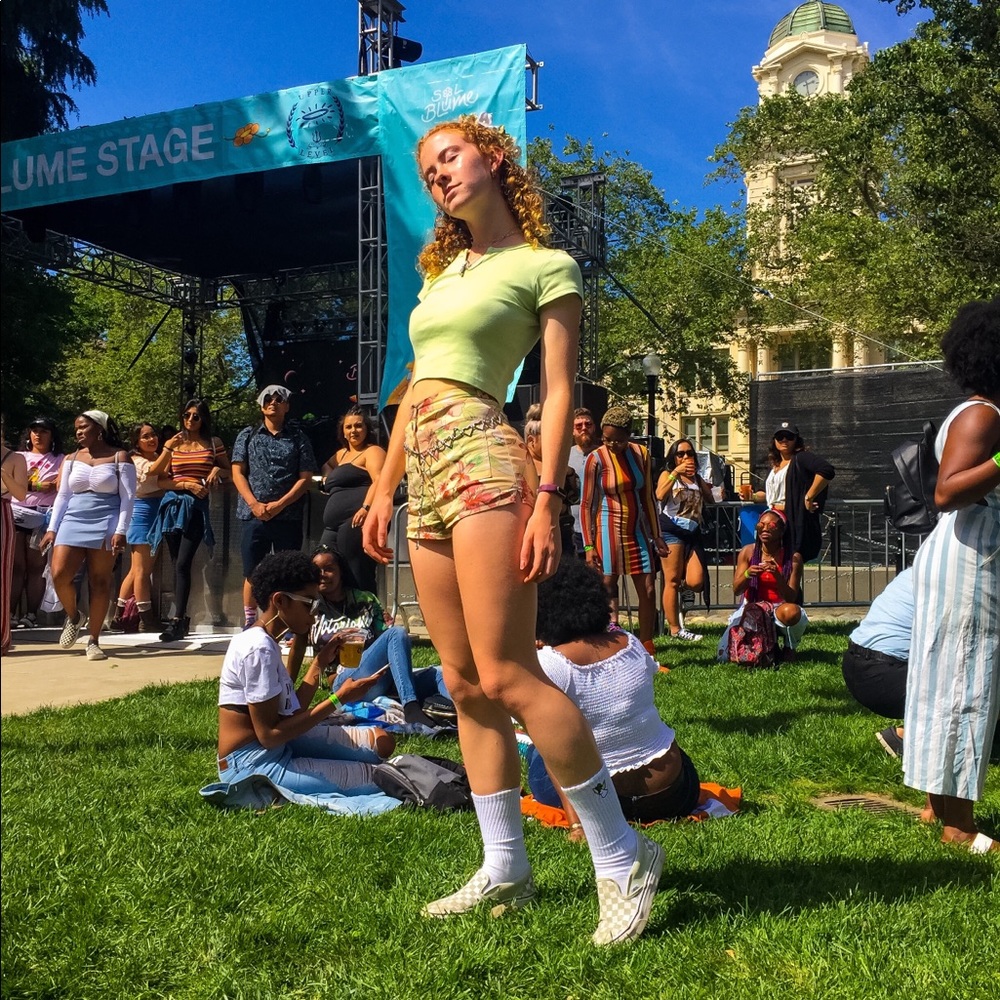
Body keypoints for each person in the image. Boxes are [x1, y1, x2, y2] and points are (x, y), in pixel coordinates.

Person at [363, 114, 664, 946]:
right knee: (459, 682)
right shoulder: (442, 274)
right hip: (421, 465)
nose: (438, 177)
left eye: (448, 159)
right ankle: (506, 866)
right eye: (427, 171)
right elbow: (414, 386)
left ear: (492, 160)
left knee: (508, 674)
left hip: (487, 458)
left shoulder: (545, 264)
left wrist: (548, 497)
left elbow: (560, 391)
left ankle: (622, 855)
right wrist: (383, 488)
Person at [903, 298, 1000, 854]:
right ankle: (958, 826)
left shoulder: (978, 411)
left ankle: (937, 804)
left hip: (966, 554)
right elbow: (947, 490)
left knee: (944, 677)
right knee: (965, 680)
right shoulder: (984, 415)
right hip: (971, 556)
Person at [528, 558, 702, 835]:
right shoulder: (631, 643)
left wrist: (578, 824)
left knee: (541, 746)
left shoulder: (549, 664)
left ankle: (579, 819)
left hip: (600, 800)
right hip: (671, 794)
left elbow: (556, 751)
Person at [216, 550, 396, 809]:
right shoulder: (258, 649)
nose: (315, 614)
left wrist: (320, 662)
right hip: (251, 764)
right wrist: (339, 698)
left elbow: (292, 712)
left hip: (280, 745)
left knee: (381, 742)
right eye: (309, 604)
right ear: (280, 601)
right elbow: (269, 735)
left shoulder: (266, 641)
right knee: (379, 778)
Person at [286, 546, 447, 728]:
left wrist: (384, 623)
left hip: (380, 677)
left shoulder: (366, 600)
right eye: (317, 570)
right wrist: (288, 687)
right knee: (398, 632)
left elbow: (387, 641)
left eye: (329, 569)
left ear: (341, 572)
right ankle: (411, 707)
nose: (322, 574)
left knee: (440, 673)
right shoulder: (311, 607)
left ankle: (464, 711)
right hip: (345, 683)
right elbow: (298, 646)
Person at [41, 410, 136, 661]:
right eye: (76, 429)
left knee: (100, 580)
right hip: (73, 517)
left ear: (99, 429)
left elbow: (128, 498)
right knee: (59, 573)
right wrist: (52, 528)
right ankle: (74, 616)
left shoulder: (120, 456)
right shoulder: (72, 458)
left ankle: (93, 640)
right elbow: (62, 495)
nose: (78, 432)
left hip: (106, 519)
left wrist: (121, 530)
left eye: (83, 427)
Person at [580, 406, 668, 655]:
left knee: (649, 589)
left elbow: (649, 497)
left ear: (629, 434)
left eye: (617, 440)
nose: (612, 445)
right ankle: (605, 646)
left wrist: (657, 535)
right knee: (607, 584)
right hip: (607, 526)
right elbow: (587, 505)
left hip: (637, 530)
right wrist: (589, 545)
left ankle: (647, 648)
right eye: (606, 439)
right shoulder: (595, 459)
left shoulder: (641, 453)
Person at [231, 384, 318, 630]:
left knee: (287, 573)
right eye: (267, 398)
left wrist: (280, 504)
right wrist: (254, 503)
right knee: (252, 571)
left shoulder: (298, 437)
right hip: (253, 515)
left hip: (287, 516)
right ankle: (251, 623)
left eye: (279, 399)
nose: (273, 402)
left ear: (287, 406)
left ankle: (287, 623)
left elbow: (305, 477)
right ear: (261, 404)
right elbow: (237, 472)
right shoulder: (247, 435)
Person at [146, 400, 230, 642]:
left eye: (196, 416)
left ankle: (178, 618)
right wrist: (169, 451)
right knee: (176, 563)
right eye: (187, 415)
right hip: (173, 504)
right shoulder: (175, 443)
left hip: (195, 508)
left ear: (204, 419)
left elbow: (230, 470)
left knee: (184, 561)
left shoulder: (213, 443)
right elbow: (156, 476)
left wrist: (216, 471)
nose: (191, 420)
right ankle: (179, 619)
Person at [842, 569, 914, 758]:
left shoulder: (916, 570)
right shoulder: (955, 581)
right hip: (887, 676)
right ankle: (905, 737)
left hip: (852, 663)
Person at [725, 508, 808, 660]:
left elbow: (791, 597)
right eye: (761, 525)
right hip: (753, 607)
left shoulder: (793, 558)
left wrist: (777, 576)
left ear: (782, 531)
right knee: (724, 656)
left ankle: (790, 646)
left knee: (792, 612)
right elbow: (736, 589)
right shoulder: (748, 552)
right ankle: (769, 644)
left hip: (779, 608)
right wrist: (748, 574)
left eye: (771, 526)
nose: (765, 529)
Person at [656, 438, 717, 642]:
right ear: (673, 457)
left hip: (692, 531)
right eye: (680, 454)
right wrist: (676, 472)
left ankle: (683, 593)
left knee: (696, 581)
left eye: (689, 453)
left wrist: (705, 484)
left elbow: (710, 499)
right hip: (672, 529)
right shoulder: (668, 474)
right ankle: (675, 629)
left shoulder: (696, 478)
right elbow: (659, 494)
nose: (685, 457)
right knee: (671, 580)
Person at [319, 406, 385, 593]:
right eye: (348, 427)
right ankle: (335, 614)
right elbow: (326, 465)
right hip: (332, 526)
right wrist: (326, 477)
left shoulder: (373, 451)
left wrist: (366, 508)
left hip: (359, 519)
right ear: (343, 432)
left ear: (366, 429)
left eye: (358, 426)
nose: (353, 431)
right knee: (323, 564)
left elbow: (379, 480)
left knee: (356, 568)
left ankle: (368, 613)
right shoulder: (342, 454)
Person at [110, 423, 168, 633]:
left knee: (136, 570)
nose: (152, 439)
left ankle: (118, 616)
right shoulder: (136, 460)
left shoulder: (159, 456)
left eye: (153, 434)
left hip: (158, 510)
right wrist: (170, 450)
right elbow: (152, 472)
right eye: (145, 437)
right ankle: (146, 618)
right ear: (136, 442)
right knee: (142, 569)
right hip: (142, 511)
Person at [750, 422, 835, 564]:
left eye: (789, 436)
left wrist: (809, 496)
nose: (784, 440)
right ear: (774, 441)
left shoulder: (801, 458)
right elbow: (770, 495)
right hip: (773, 522)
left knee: (790, 567)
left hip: (792, 523)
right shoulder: (775, 465)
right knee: (776, 567)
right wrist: (751, 496)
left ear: (796, 440)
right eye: (780, 437)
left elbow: (827, 470)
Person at [9, 417, 63, 629]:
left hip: (42, 516)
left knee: (36, 567)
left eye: (44, 431)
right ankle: (10, 612)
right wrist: (37, 485)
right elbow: (11, 481)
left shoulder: (60, 458)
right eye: (34, 431)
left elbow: (60, 486)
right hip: (15, 513)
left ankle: (31, 614)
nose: (38, 435)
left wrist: (31, 484)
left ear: (52, 436)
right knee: (15, 566)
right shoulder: (18, 456)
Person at [524, 403, 578, 557]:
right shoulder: (520, 471)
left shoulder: (566, 470)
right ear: (531, 440)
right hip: (532, 542)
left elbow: (574, 500)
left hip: (565, 541)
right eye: (550, 438)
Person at [1, 421, 29, 655]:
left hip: (2, 512)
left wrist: (3, 474)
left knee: (2, 577)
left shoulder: (15, 458)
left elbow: (21, 493)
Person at [568, 407, 598, 556]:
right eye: (578, 426)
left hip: (599, 529)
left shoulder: (604, 454)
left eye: (588, 424)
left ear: (594, 427)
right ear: (572, 430)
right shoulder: (565, 457)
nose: (584, 428)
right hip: (573, 530)